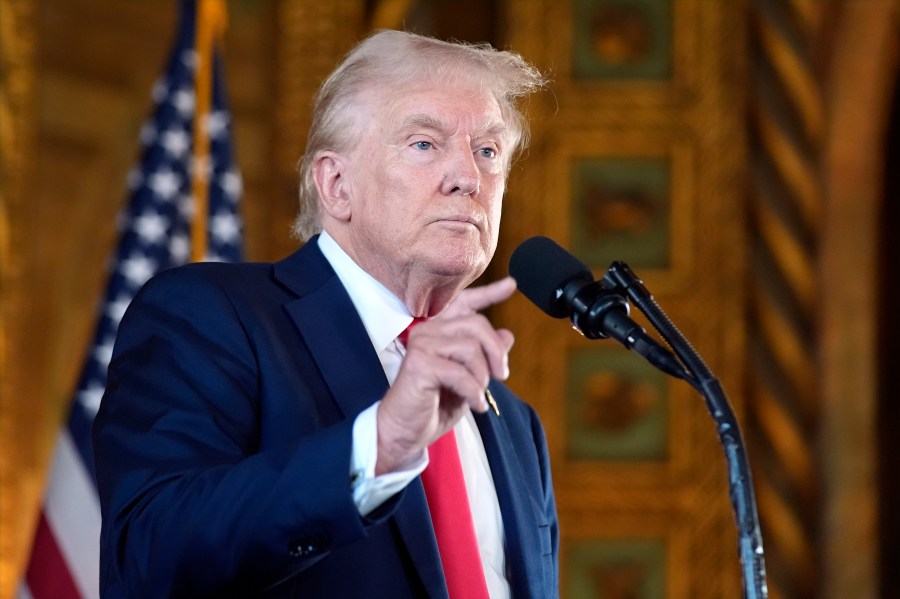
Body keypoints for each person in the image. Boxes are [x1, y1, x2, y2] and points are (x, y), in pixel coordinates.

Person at [93, 29, 558, 598]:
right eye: (424, 143)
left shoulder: (513, 421)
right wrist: (380, 446)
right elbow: (148, 554)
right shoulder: (210, 315)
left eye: (488, 151)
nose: (468, 177)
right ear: (335, 184)